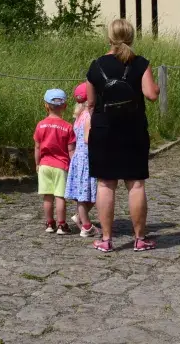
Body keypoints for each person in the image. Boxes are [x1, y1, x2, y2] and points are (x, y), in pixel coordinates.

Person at [85, 18, 160, 253]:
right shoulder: (140, 63)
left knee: (105, 184)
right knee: (135, 184)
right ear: (131, 37)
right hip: (133, 129)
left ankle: (106, 239)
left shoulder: (96, 65)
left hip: (103, 130)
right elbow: (152, 94)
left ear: (109, 38)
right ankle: (139, 239)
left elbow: (90, 101)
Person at [34, 88, 77, 235]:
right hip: (61, 166)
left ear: (46, 105)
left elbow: (37, 147)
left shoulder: (40, 125)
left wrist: (37, 163)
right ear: (65, 106)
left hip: (44, 164)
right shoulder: (68, 127)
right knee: (60, 196)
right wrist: (74, 166)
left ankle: (49, 223)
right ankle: (61, 224)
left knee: (47, 196)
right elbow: (71, 150)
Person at [65, 82, 99, 238]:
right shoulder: (89, 116)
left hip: (79, 158)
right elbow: (87, 139)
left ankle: (81, 217)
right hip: (87, 158)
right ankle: (86, 226)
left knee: (85, 193)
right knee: (89, 194)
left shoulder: (78, 116)